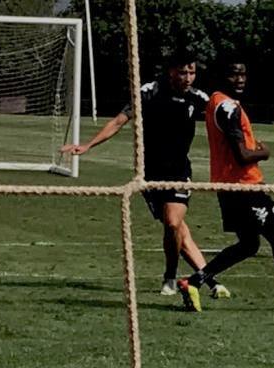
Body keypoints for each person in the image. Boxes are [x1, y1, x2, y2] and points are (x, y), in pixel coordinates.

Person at [62, 52, 226, 298]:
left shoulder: (198, 98)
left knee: (173, 222)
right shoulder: (150, 92)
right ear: (171, 70)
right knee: (176, 228)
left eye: (192, 72)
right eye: (183, 72)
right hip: (149, 174)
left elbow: (225, 117)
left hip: (179, 172)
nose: (188, 77)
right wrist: (87, 145)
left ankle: (171, 277)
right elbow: (119, 121)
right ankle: (208, 281)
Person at [177, 61, 274, 314]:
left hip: (228, 186)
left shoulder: (216, 102)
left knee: (249, 245)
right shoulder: (227, 107)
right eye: (234, 74)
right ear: (221, 76)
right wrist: (263, 151)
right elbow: (242, 155)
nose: (240, 79)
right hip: (244, 187)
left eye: (243, 74)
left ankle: (193, 282)